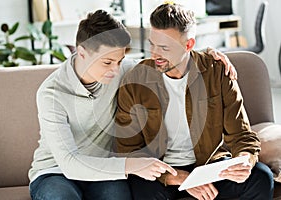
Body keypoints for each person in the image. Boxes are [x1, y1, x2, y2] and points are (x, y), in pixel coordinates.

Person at [28, 8, 237, 200]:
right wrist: (133, 165)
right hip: (56, 171)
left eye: (119, 61)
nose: (115, 69)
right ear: (81, 52)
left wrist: (206, 55)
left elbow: (170, 59)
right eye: (107, 62)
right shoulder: (51, 94)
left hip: (106, 169)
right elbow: (69, 163)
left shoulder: (122, 72)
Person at [115, 3, 274, 200]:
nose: (155, 54)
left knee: (261, 177)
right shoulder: (135, 80)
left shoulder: (217, 72)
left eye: (164, 48)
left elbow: (242, 135)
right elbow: (128, 150)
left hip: (208, 166)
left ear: (189, 45)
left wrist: (244, 161)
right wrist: (180, 178)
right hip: (160, 173)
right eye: (152, 44)